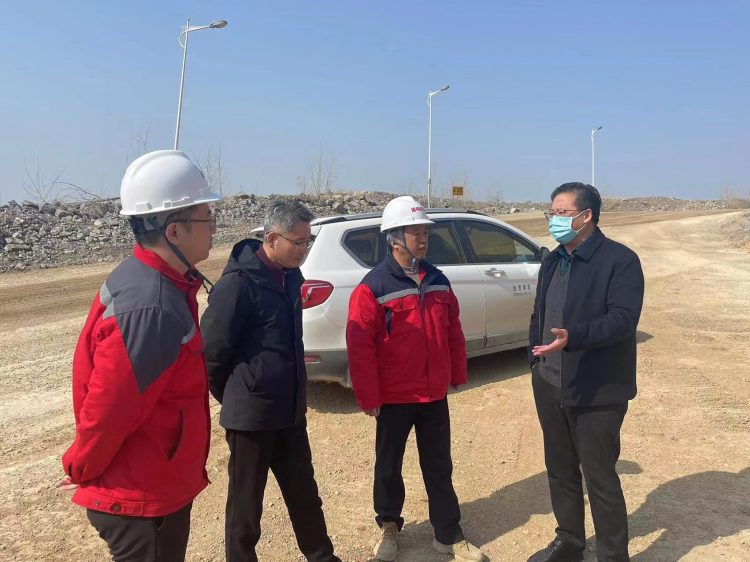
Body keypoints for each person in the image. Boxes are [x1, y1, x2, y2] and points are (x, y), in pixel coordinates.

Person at [59, 150, 222, 561]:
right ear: (174, 231)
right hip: (140, 497)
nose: (214, 226)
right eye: (206, 217)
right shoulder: (152, 304)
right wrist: (80, 465)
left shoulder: (156, 280)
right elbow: (110, 407)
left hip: (152, 482)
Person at [346, 196, 486, 562]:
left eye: (425, 233)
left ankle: (448, 534)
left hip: (433, 395)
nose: (423, 240)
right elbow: (360, 347)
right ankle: (389, 527)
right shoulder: (372, 287)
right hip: (393, 397)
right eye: (415, 233)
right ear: (394, 237)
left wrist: (457, 372)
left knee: (439, 466)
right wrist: (368, 396)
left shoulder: (438, 280)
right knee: (388, 466)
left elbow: (453, 331)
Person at [200, 200, 341, 562]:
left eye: (308, 242)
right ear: (273, 238)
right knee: (246, 509)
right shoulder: (237, 285)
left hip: (290, 412)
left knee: (305, 495)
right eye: (298, 242)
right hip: (251, 419)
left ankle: (322, 557)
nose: (304, 250)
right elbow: (211, 354)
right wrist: (241, 394)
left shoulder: (291, 277)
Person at [527, 182, 645, 562]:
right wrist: (535, 361)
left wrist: (574, 337)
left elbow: (623, 320)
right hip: (550, 381)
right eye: (552, 212)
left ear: (586, 216)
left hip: (597, 390)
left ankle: (612, 555)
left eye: (562, 213)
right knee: (560, 469)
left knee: (600, 478)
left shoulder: (620, 261)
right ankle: (569, 543)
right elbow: (539, 313)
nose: (554, 220)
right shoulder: (552, 259)